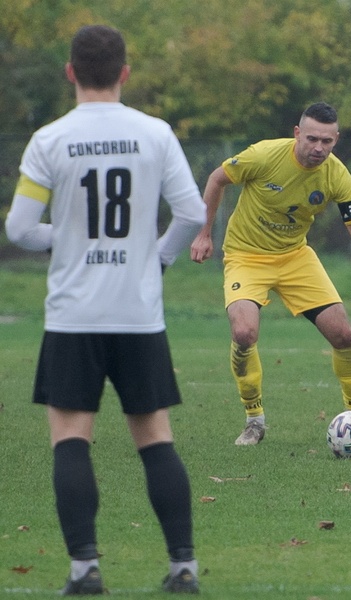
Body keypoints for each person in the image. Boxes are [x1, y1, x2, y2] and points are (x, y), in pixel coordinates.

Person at [3, 25, 204, 594]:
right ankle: (183, 566)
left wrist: (65, 239)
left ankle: (85, 568)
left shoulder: (49, 139)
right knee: (156, 437)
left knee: (70, 439)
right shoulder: (156, 133)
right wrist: (157, 261)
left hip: (74, 316)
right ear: (125, 73)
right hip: (138, 314)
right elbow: (190, 214)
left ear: (69, 72)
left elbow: (18, 228)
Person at [190, 102, 351, 446]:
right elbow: (216, 179)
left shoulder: (337, 175)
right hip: (246, 256)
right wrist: (204, 233)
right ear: (297, 133)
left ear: (336, 140)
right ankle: (254, 418)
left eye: (327, 142)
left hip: (295, 257)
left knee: (344, 334)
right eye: (312, 139)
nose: (319, 148)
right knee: (244, 332)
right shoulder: (263, 156)